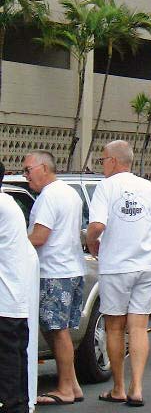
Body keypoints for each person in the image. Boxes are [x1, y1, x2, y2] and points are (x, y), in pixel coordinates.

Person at [87, 140, 151, 407]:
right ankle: (137, 387)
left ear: (114, 161)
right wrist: (146, 236)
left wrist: (92, 241)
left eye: (103, 160)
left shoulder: (105, 187)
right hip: (147, 266)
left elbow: (97, 225)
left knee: (114, 326)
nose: (103, 165)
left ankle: (118, 388)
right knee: (138, 327)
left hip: (117, 267)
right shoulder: (148, 186)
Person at [23, 151, 85, 406]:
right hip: (71, 269)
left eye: (28, 170)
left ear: (44, 168)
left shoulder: (49, 196)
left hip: (54, 271)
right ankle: (73, 385)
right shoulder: (69, 192)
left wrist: (12, 247)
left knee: (57, 331)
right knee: (57, 331)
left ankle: (65, 389)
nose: (26, 176)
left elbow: (39, 237)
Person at [0, 161, 40, 413]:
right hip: (13, 299)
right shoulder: (8, 203)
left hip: (6, 300)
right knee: (15, 367)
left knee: (8, 375)